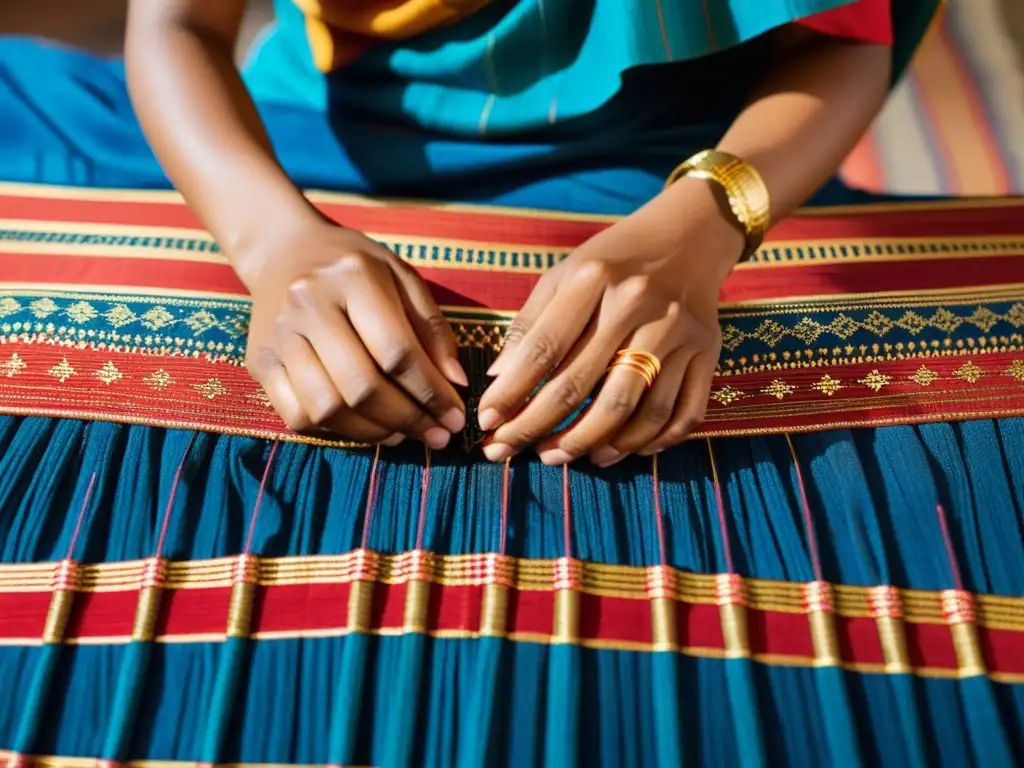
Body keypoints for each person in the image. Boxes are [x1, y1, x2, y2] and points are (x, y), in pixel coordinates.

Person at [121, 0, 936, 464]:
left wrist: (700, 227)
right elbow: (176, 25)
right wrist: (270, 238)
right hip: (316, 134)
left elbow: (843, 43)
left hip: (660, 155)